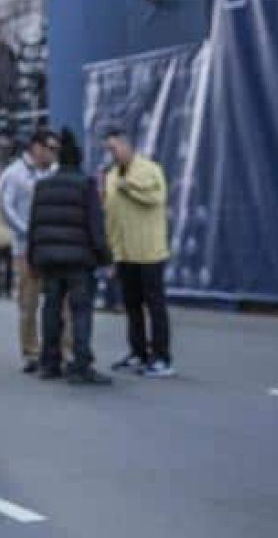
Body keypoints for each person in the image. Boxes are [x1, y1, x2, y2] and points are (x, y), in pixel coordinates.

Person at [27, 129, 113, 384]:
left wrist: (33, 259)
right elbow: (95, 226)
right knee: (81, 312)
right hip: (79, 261)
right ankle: (81, 364)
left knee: (51, 310)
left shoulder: (43, 186)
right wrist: (105, 258)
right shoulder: (86, 185)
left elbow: (35, 226)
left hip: (49, 260)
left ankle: (49, 362)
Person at [102, 128, 174, 378]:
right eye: (108, 150)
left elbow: (157, 198)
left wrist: (129, 187)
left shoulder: (150, 169)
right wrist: (111, 252)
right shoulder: (111, 175)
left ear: (127, 145)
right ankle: (138, 352)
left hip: (149, 251)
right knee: (131, 305)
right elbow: (110, 215)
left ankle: (162, 357)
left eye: (114, 148)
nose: (111, 154)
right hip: (124, 252)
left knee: (155, 305)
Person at [0, 130, 58, 373]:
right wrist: (26, 231)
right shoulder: (14, 174)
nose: (54, 153)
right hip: (26, 248)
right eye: (50, 148)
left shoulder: (54, 172)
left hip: (52, 246)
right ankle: (31, 352)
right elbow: (5, 206)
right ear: (36, 148)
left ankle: (59, 351)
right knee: (29, 302)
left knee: (58, 301)